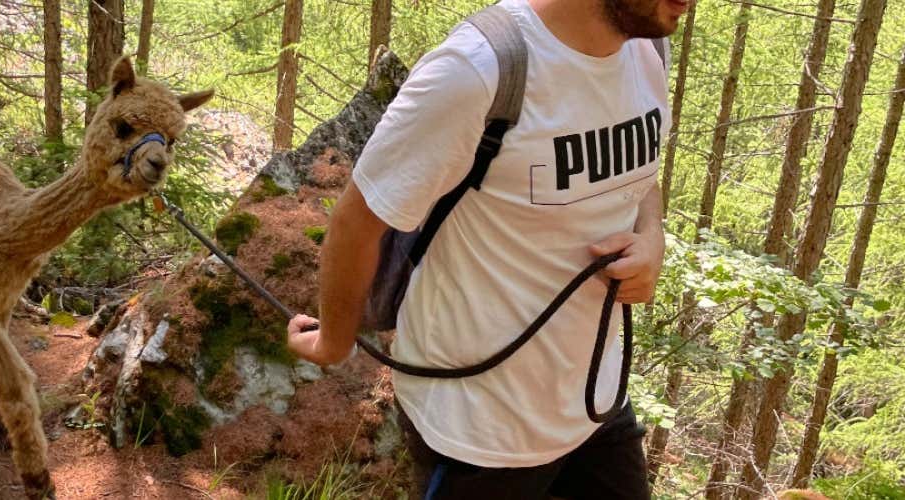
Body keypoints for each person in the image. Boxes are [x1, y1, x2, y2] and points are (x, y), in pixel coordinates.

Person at [286, 0, 693, 498]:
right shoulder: (479, 69)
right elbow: (357, 220)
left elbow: (640, 180)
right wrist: (334, 341)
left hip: (595, 403)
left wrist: (652, 237)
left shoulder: (647, 46)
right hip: (477, 431)